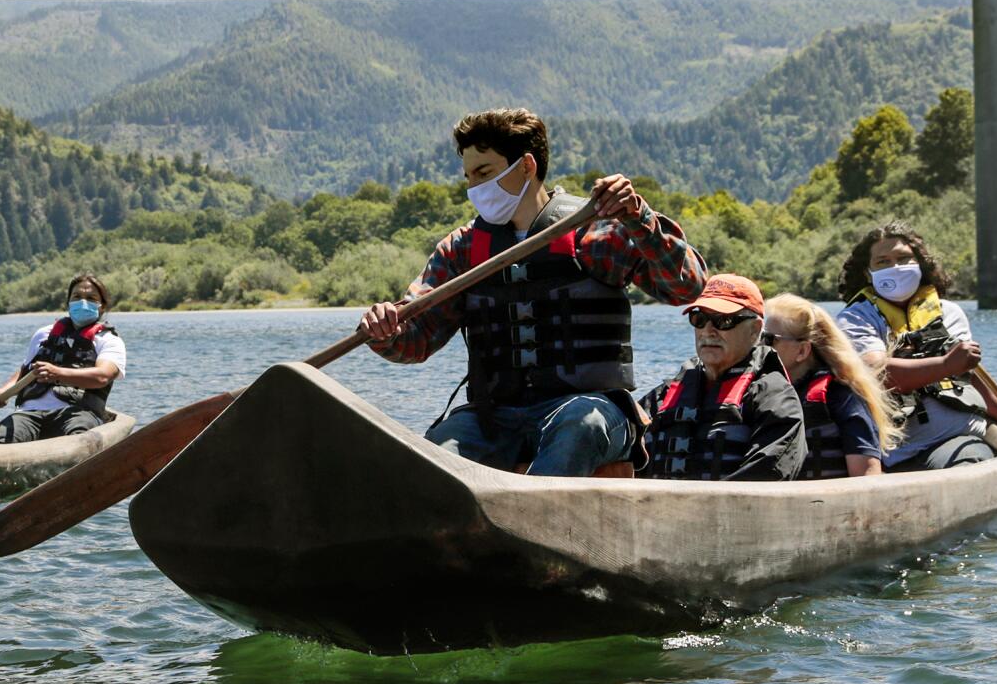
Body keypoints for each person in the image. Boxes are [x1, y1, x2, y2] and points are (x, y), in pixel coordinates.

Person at [359, 108, 707, 477]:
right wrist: (386, 331)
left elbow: (687, 286)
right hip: (494, 420)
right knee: (437, 453)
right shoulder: (462, 250)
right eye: (468, 177)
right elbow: (418, 339)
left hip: (592, 410)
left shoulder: (593, 232)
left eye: (484, 173)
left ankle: (532, 524)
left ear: (526, 166)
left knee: (580, 425)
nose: (473, 188)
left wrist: (639, 218)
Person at [833, 222, 997, 471]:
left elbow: (970, 377)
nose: (895, 267)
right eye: (883, 262)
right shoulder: (856, 318)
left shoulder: (949, 313)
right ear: (868, 273)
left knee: (971, 457)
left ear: (920, 265)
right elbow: (877, 374)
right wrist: (945, 364)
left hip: (959, 438)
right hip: (897, 451)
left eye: (903, 258)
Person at [638, 274, 804, 481]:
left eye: (724, 320)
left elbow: (768, 475)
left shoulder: (775, 398)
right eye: (699, 319)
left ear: (755, 331)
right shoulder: (664, 395)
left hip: (730, 512)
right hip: (654, 510)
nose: (708, 331)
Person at [762, 293, 897, 478]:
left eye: (770, 340)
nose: (761, 347)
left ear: (802, 351)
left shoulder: (842, 395)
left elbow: (867, 475)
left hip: (828, 504)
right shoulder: (766, 393)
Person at [0, 274, 126, 444]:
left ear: (102, 306)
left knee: (78, 440)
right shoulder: (44, 334)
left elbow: (102, 376)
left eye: (91, 298)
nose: (83, 302)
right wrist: (3, 391)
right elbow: (25, 371)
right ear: (68, 302)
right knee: (2, 437)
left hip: (77, 412)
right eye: (77, 297)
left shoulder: (108, 340)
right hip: (29, 412)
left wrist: (57, 373)